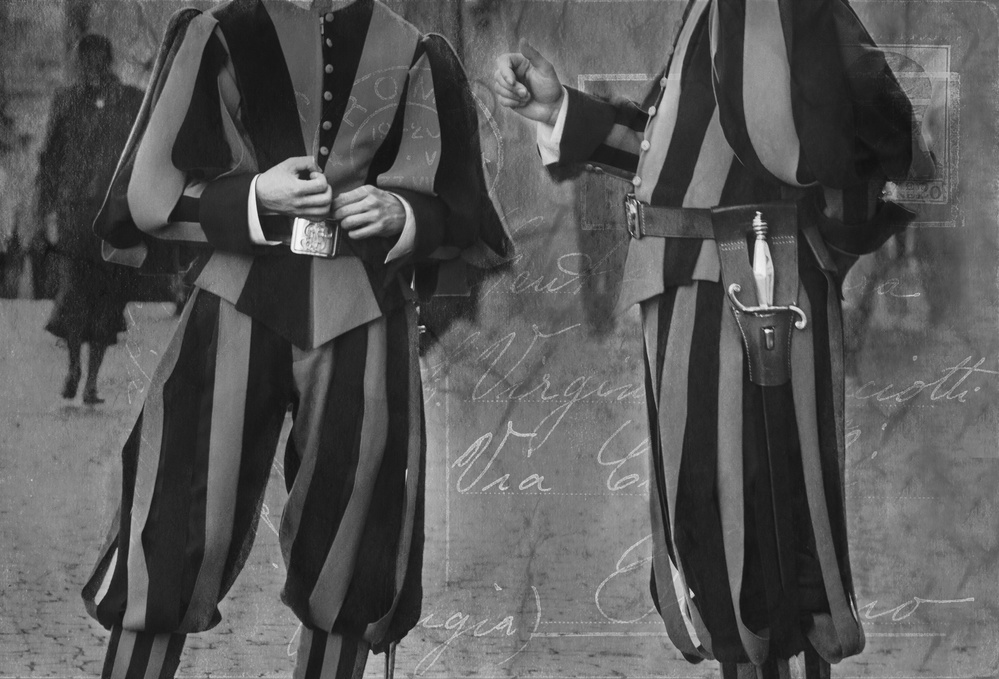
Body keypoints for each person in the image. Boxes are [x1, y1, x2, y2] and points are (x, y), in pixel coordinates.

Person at [492, 3, 932, 678]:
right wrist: (559, 108)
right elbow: (669, 146)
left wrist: (812, 233)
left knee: (762, 554)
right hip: (691, 288)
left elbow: (844, 143)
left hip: (745, 293)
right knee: (717, 548)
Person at [80, 1, 509, 678]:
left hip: (362, 314)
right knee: (177, 518)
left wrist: (403, 211)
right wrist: (255, 195)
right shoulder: (220, 34)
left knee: (352, 538)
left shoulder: (413, 52)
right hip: (235, 300)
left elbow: (460, 210)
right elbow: (151, 193)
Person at [36, 34, 144, 404]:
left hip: (112, 213)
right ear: (81, 62)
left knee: (107, 298)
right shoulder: (66, 100)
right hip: (74, 215)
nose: (92, 65)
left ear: (107, 59)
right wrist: (44, 211)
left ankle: (92, 380)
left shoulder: (129, 99)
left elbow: (140, 152)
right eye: (87, 59)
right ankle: (74, 368)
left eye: (98, 58)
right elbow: (49, 157)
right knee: (74, 294)